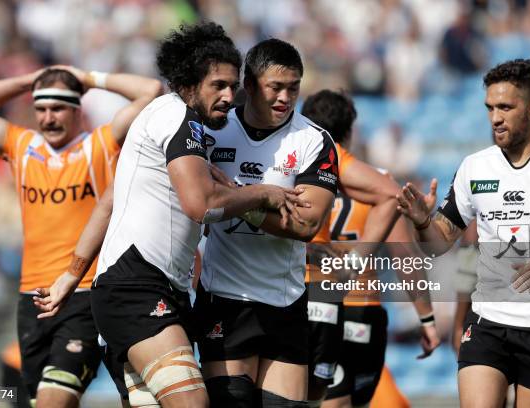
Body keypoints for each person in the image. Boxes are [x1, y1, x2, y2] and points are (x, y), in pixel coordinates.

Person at [34, 23, 305, 408]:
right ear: (189, 84)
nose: (229, 97)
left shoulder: (166, 118)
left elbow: (109, 202)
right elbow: (203, 206)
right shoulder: (180, 119)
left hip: (153, 290)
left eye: (233, 86)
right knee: (193, 402)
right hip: (136, 289)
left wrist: (69, 276)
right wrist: (263, 192)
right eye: (218, 86)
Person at [0, 65, 162, 407]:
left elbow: (150, 91)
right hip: (30, 298)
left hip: (83, 295)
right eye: (41, 109)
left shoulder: (100, 144)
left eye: (58, 108)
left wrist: (87, 78)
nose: (48, 118)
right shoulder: (22, 146)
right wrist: (27, 80)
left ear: (78, 110)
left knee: (53, 401)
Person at [396, 59, 530, 408]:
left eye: (505, 107)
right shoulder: (475, 166)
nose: (495, 117)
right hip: (487, 323)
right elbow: (441, 245)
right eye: (489, 108)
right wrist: (423, 222)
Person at [192, 39, 338, 408]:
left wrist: (240, 199)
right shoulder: (212, 132)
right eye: (276, 87)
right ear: (251, 85)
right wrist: (260, 197)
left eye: (293, 87)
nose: (285, 97)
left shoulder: (313, 141)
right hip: (224, 300)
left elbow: (305, 223)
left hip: (284, 302)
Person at [301, 90, 440, 408]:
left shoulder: (296, 177)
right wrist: (427, 319)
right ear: (351, 131)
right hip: (361, 307)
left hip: (311, 299)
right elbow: (404, 257)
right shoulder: (379, 183)